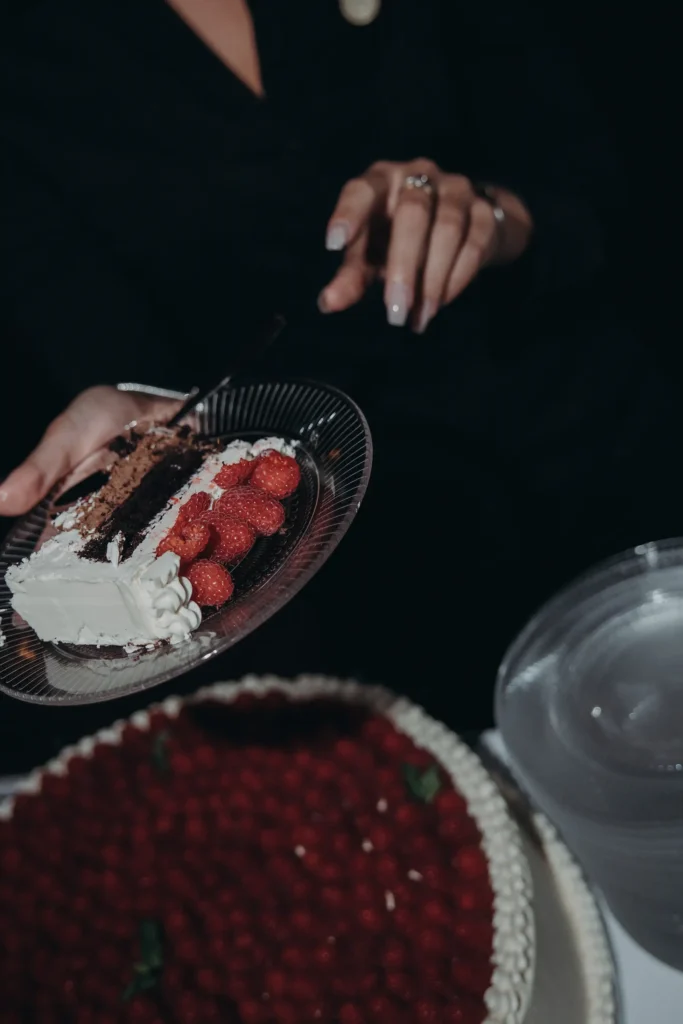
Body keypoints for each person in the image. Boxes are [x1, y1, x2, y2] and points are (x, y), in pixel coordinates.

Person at [0, 0, 680, 762]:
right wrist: (136, 409)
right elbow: (81, 311)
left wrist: (491, 214)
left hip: (588, 444)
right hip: (367, 565)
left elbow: (604, 179)